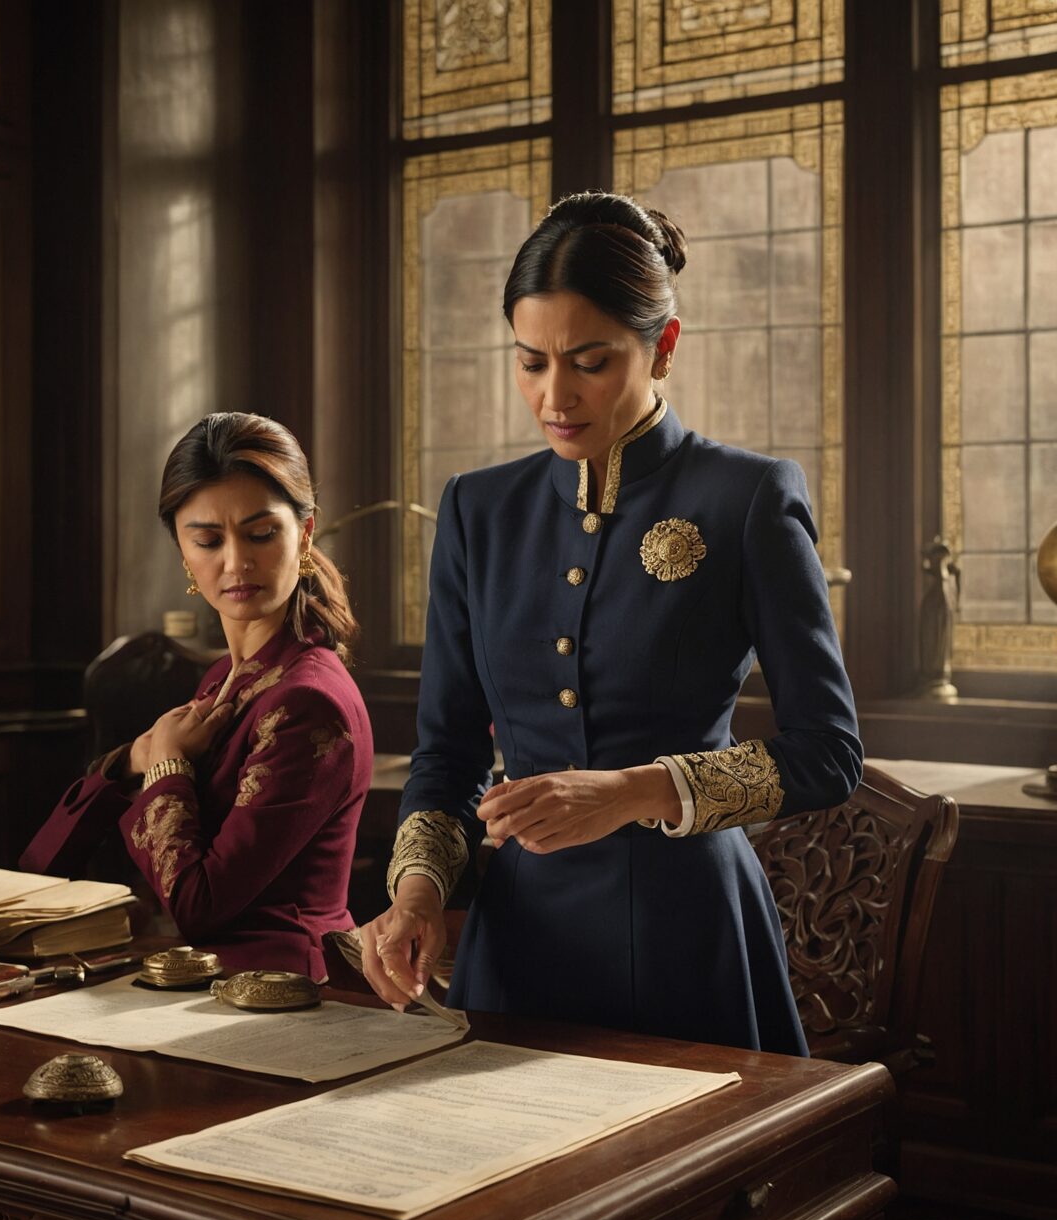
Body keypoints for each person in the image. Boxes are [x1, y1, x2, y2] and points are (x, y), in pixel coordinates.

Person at [360, 193, 862, 1053]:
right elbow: (445, 753)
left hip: (686, 933)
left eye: (589, 361)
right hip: (516, 942)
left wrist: (637, 790)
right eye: (529, 363)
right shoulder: (479, 511)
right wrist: (415, 893)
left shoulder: (746, 499)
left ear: (662, 346)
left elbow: (829, 751)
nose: (554, 396)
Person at [22, 413, 373, 981]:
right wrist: (137, 758)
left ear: (305, 534)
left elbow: (199, 905)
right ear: (183, 551)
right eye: (208, 539)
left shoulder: (308, 700)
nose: (236, 563)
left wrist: (166, 765)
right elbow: (43, 861)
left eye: (261, 534)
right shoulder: (223, 678)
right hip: (200, 980)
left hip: (283, 993)